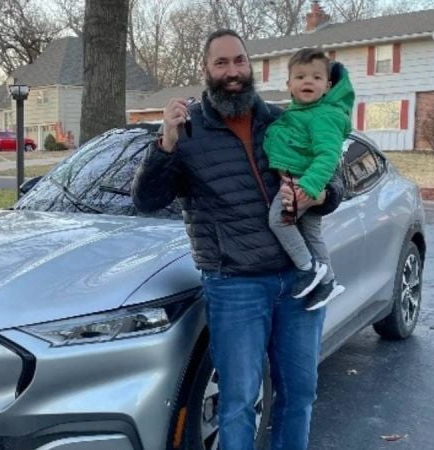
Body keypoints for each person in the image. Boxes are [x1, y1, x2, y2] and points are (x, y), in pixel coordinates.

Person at [132, 29, 327, 450]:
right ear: (206, 70)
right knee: (238, 401)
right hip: (235, 285)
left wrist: (319, 193)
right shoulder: (187, 131)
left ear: (250, 65)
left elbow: (333, 183)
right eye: (221, 63)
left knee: (300, 396)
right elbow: (147, 200)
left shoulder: (282, 120)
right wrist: (164, 143)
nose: (233, 72)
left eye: (239, 61)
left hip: (298, 281)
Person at [264, 48, 354, 311]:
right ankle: (328, 282)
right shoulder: (299, 114)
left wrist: (310, 185)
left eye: (316, 78)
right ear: (289, 85)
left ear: (327, 86)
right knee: (312, 233)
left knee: (279, 220)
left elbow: (328, 154)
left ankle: (307, 268)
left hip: (301, 183)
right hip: (300, 179)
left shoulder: (324, 115)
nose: (307, 82)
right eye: (300, 76)